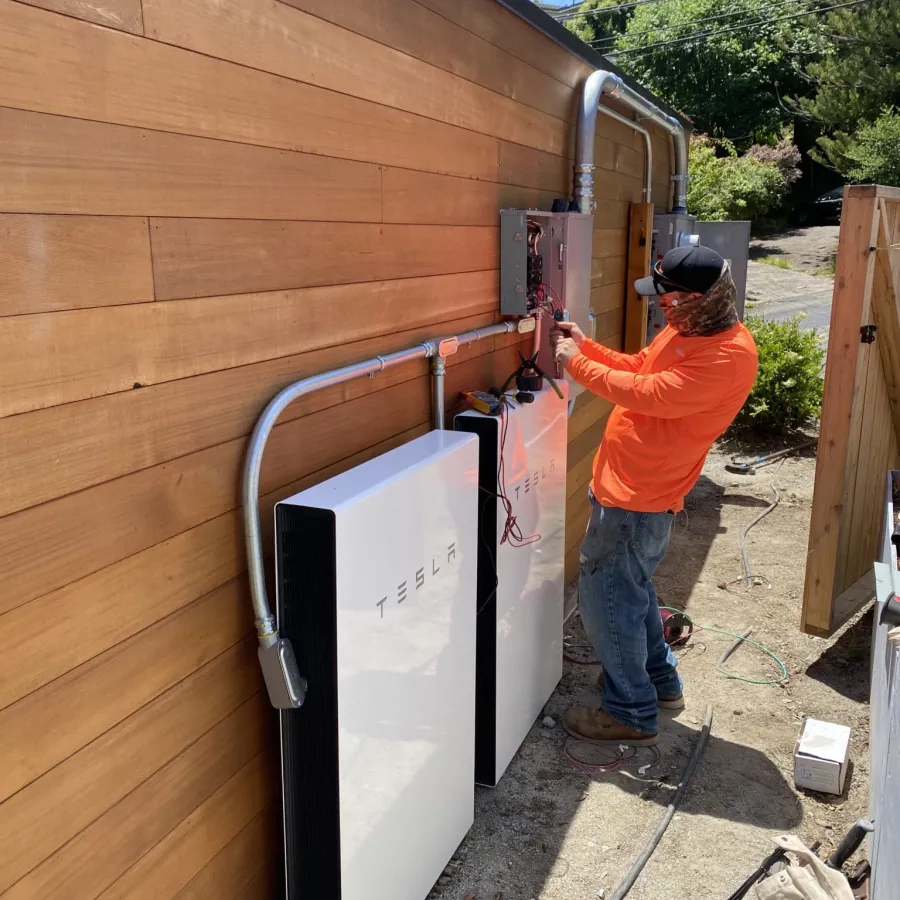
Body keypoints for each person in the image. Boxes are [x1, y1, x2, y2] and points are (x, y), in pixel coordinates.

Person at [550, 244, 758, 747]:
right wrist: (588, 346)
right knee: (631, 590)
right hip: (627, 487)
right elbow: (643, 366)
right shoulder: (691, 327)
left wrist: (577, 366)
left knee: (606, 600)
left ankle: (630, 712)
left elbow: (650, 394)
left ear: (698, 298)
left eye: (669, 298)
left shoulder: (727, 356)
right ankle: (660, 686)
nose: (661, 307)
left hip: (640, 498)